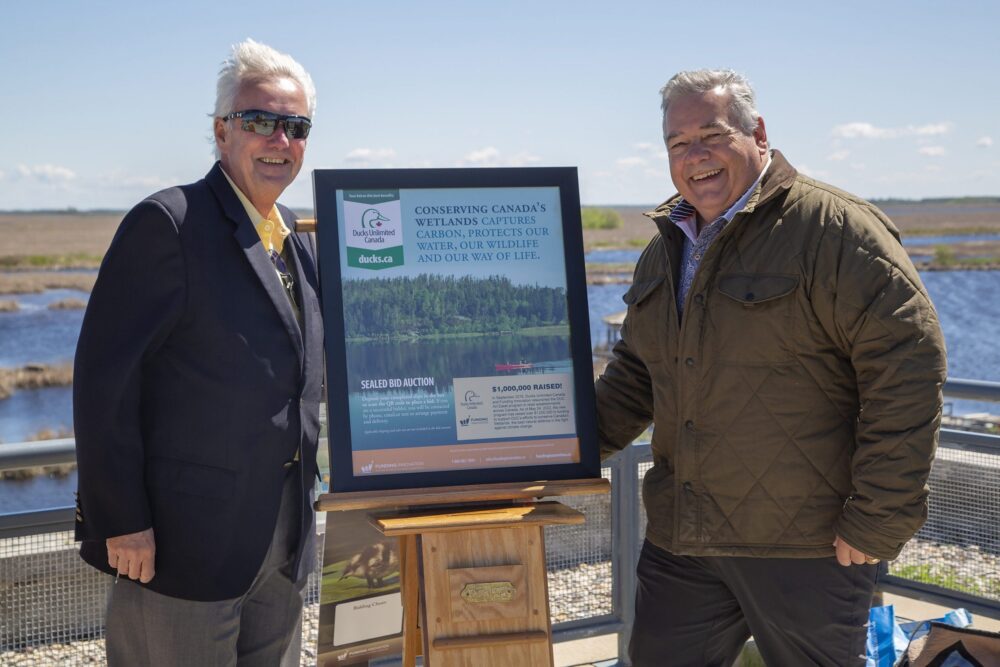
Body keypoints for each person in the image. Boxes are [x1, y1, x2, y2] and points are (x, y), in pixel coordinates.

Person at [596, 69, 947, 666]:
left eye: (711, 134)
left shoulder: (834, 229)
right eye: (678, 144)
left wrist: (877, 520)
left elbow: (908, 366)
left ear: (757, 132)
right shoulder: (665, 245)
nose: (695, 156)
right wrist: (555, 447)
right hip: (684, 541)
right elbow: (637, 375)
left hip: (808, 549)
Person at [73, 39, 323, 666]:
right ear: (220, 131)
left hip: (282, 544)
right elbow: (105, 384)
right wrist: (120, 519)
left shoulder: (295, 237)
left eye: (295, 126)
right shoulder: (168, 224)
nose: (279, 140)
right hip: (180, 550)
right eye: (259, 120)